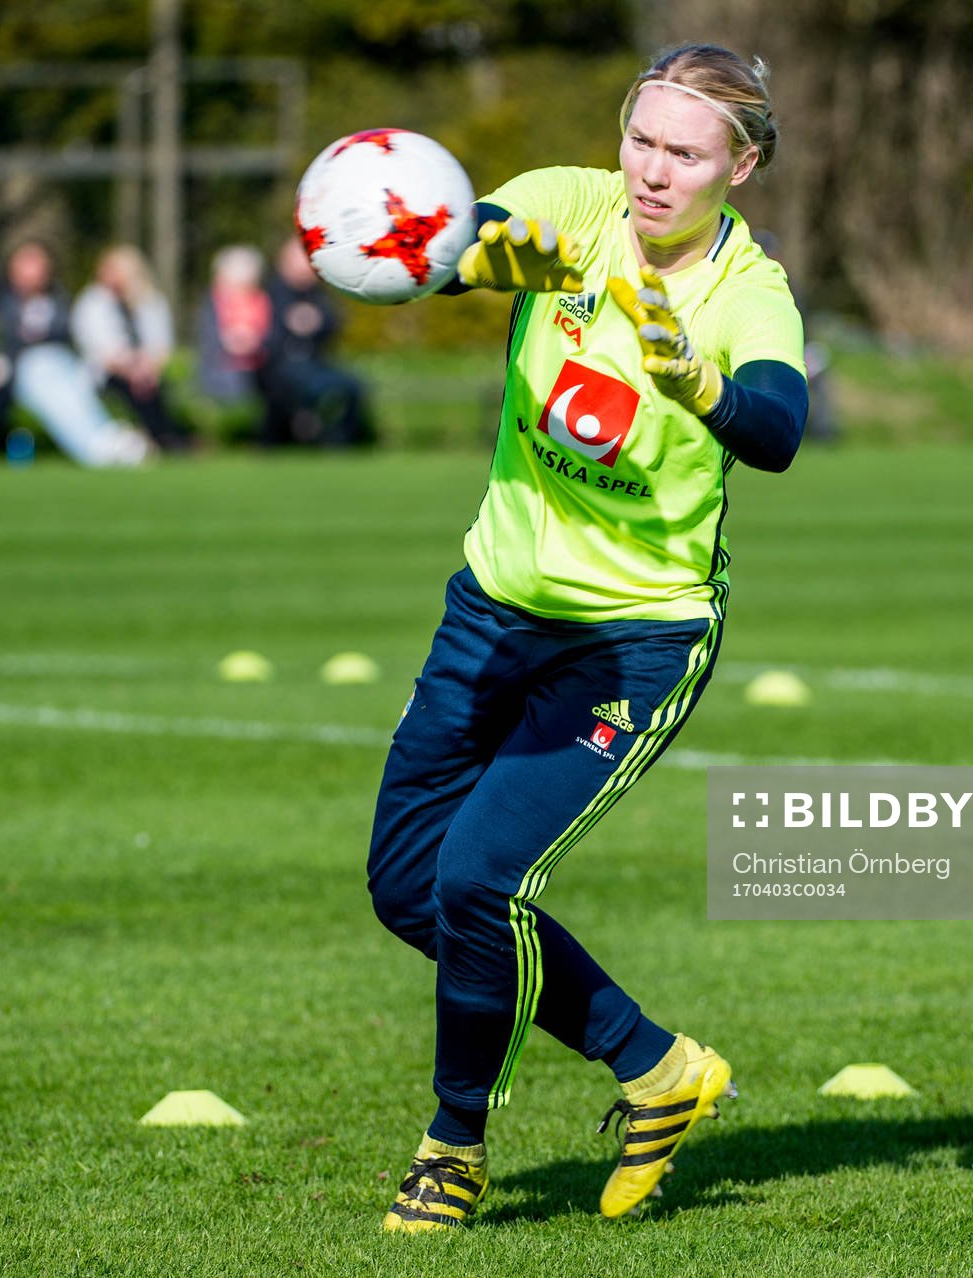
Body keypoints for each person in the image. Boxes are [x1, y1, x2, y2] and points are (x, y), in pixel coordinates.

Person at [365, 44, 806, 1233]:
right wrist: (463, 254)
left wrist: (705, 388)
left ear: (742, 168)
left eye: (689, 153)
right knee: (407, 887)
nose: (655, 172)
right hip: (491, 608)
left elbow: (778, 425)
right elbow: (460, 243)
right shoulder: (577, 201)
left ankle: (453, 1149)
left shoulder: (746, 292)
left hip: (633, 642)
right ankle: (655, 1067)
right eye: (643, 140)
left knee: (479, 877)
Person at [0, 241, 149, 467]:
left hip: (61, 363)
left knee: (76, 386)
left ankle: (107, 435)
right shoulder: (2, 300)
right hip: (24, 369)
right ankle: (93, 447)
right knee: (47, 377)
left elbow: (64, 333)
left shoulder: (58, 299)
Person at [72, 245, 190, 452]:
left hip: (147, 373)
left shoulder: (150, 301)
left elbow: (162, 346)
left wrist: (147, 367)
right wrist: (132, 369)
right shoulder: (93, 303)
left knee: (149, 387)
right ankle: (162, 436)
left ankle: (162, 435)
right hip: (107, 375)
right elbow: (103, 351)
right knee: (134, 388)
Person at [258, 237, 373, 446]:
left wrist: (316, 321)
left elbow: (333, 322)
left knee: (353, 387)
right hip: (278, 366)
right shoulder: (271, 292)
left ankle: (342, 441)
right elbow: (266, 333)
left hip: (315, 364)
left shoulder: (317, 293)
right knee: (302, 390)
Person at [194, 243, 270, 408]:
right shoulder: (212, 303)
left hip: (259, 367)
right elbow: (209, 340)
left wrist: (254, 342)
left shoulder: (261, 300)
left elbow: (270, 336)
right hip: (221, 368)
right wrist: (232, 342)